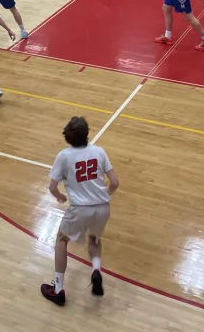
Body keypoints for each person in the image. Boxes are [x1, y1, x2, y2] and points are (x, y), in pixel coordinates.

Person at [39, 116, 119, 307]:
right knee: (94, 239)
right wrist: (106, 193)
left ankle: (58, 289)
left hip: (81, 209)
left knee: (61, 240)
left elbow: (52, 187)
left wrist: (59, 195)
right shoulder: (99, 151)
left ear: (68, 137)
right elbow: (115, 182)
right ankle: (96, 270)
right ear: (87, 133)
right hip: (103, 207)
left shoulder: (64, 156)